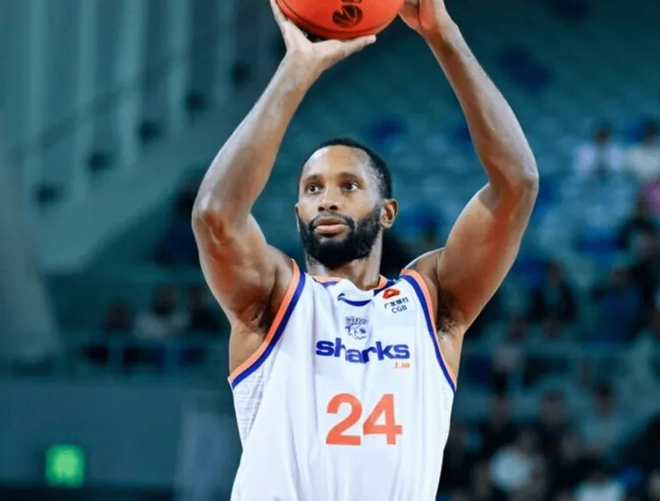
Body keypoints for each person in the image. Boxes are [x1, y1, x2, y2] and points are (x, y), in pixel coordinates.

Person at [191, 0, 538, 499]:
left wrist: (442, 34)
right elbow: (214, 216)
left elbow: (517, 185)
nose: (327, 199)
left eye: (348, 186)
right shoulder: (271, 299)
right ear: (297, 212)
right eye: (312, 189)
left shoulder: (432, 303)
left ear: (387, 212)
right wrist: (296, 70)